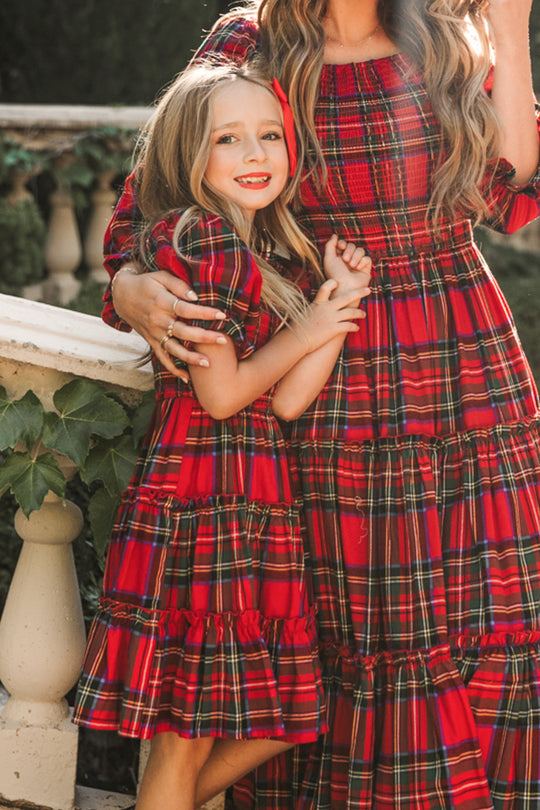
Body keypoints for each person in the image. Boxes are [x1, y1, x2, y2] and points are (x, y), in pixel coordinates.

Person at [99, 1, 540, 807]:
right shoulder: (251, 41)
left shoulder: (443, 34)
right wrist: (131, 289)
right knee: (343, 637)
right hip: (325, 366)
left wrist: (511, 28)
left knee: (487, 621)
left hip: (467, 368)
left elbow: (508, 187)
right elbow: (151, 206)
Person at [73, 60, 371, 810]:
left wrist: (337, 305)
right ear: (187, 157)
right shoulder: (199, 239)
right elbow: (226, 392)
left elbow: (289, 403)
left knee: (277, 715)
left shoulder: (267, 256)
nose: (257, 154)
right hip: (198, 499)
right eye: (229, 140)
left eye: (269, 136)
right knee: (183, 740)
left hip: (251, 503)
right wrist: (310, 323)